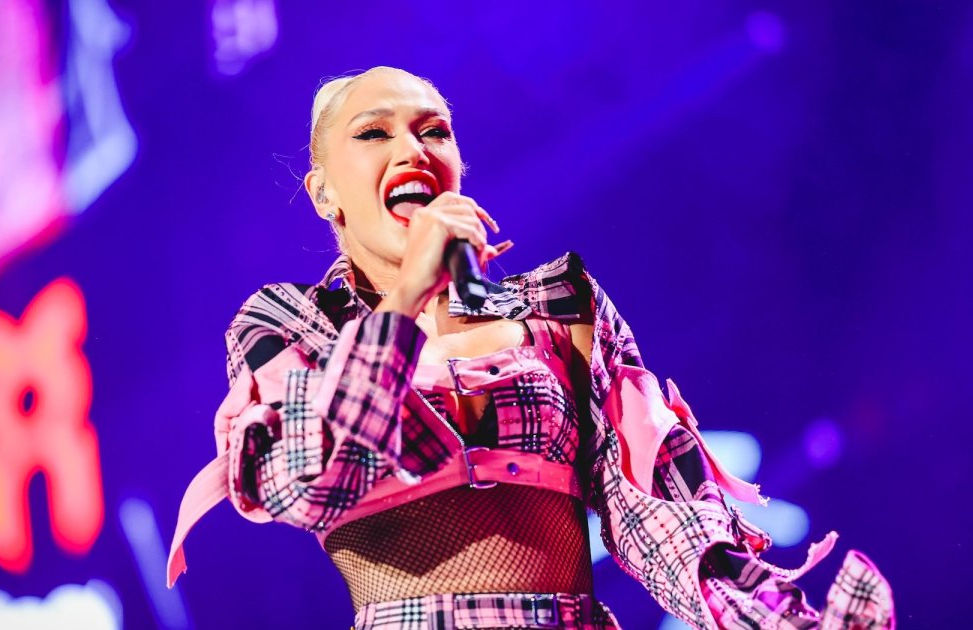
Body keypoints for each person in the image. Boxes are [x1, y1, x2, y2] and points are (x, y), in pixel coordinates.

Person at [167, 66, 895, 629]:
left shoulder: (561, 305)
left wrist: (775, 621)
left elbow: (659, 513)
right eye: (374, 134)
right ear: (324, 193)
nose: (413, 149)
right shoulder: (291, 324)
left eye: (434, 131)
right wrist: (408, 296)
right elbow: (306, 480)